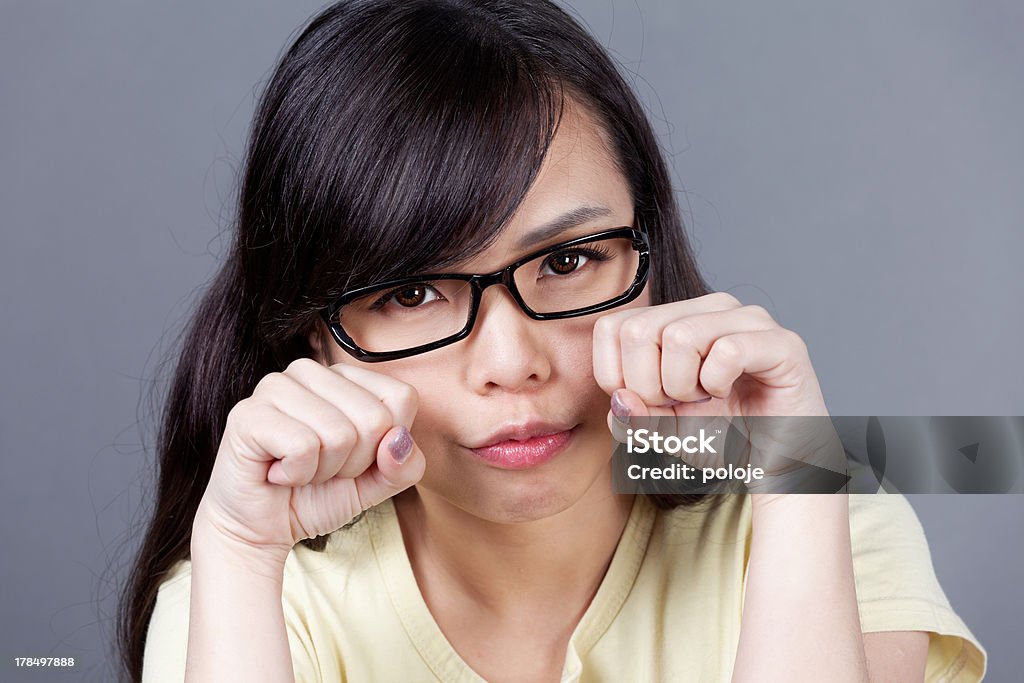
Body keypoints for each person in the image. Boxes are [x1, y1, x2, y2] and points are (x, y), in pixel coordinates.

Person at [118, 1, 986, 681]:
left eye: (568, 259)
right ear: (318, 333)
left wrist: (795, 460)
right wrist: (234, 551)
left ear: (648, 247)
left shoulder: (814, 520)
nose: (511, 363)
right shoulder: (253, 597)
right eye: (412, 291)